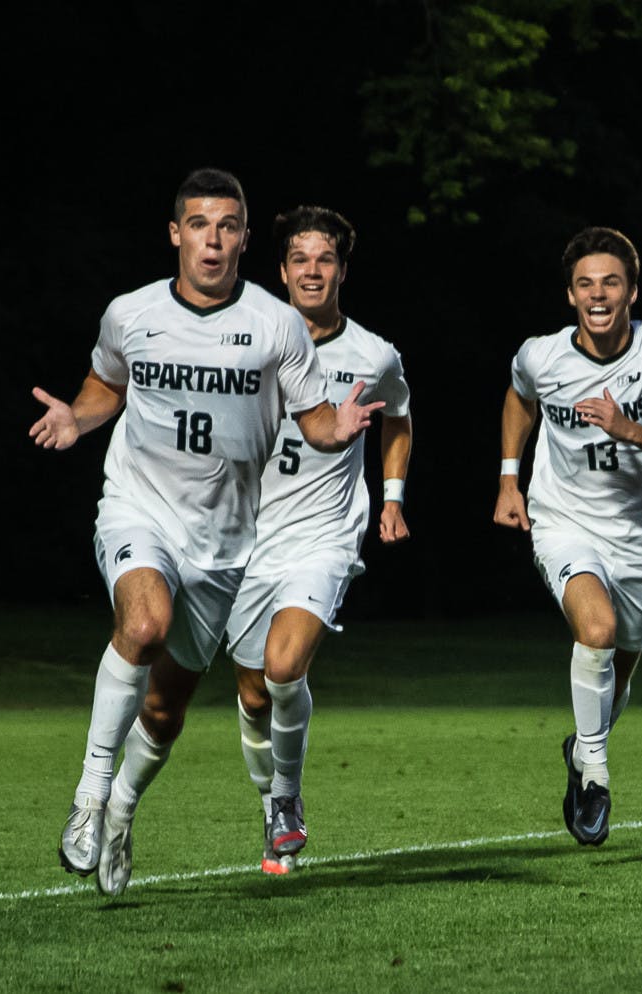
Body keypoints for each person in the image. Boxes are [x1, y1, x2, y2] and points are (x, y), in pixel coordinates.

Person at [29, 168, 382, 897]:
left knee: (166, 707)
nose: (212, 240)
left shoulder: (277, 325)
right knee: (145, 622)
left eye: (227, 226)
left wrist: (338, 427)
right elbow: (106, 384)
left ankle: (123, 811)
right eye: (199, 224)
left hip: (225, 543)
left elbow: (314, 418)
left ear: (246, 240)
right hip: (139, 507)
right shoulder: (130, 313)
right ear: (175, 233)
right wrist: (77, 415)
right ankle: (90, 797)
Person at [494, 227, 642, 846]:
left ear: (632, 291)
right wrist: (510, 479)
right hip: (564, 521)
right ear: (570, 295)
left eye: (610, 282)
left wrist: (629, 428)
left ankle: (581, 748)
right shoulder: (542, 355)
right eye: (585, 283)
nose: (598, 294)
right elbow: (519, 396)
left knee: (617, 671)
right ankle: (596, 780)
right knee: (597, 631)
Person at [226, 206, 413, 875]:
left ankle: (286, 800)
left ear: (341, 269)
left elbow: (398, 419)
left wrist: (391, 500)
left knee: (284, 667)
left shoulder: (373, 353)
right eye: (299, 259)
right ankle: (269, 794)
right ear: (280, 272)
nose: (311, 270)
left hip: (326, 534)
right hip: (246, 540)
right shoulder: (242, 346)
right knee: (252, 690)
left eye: (324, 258)